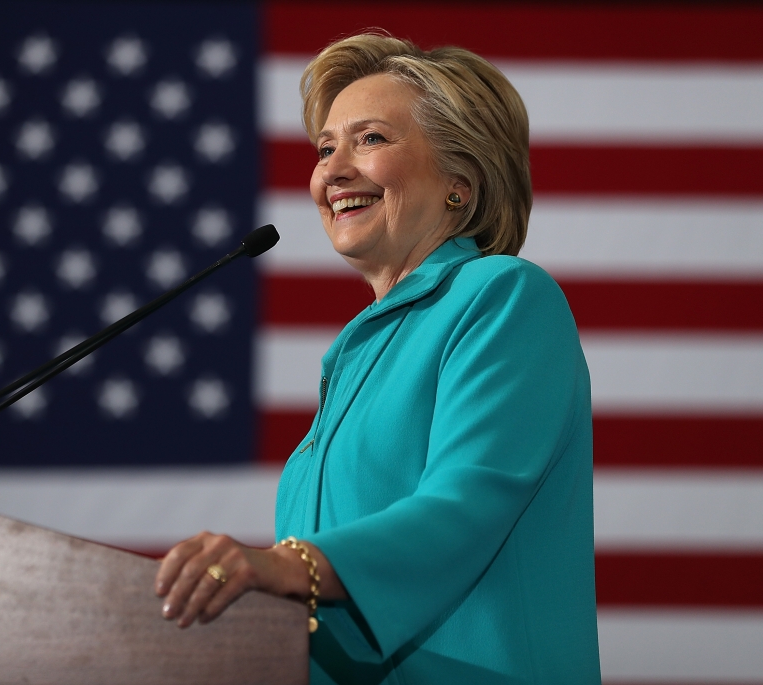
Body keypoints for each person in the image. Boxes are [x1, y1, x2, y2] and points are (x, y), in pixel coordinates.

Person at [155, 32, 600, 684]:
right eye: (326, 148)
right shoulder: (357, 355)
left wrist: (289, 564)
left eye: (370, 139)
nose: (331, 171)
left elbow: (462, 503)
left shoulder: (504, 296)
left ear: (460, 182)